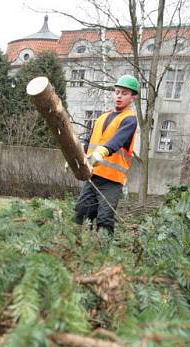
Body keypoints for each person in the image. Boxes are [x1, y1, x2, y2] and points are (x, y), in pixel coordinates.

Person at [74, 74, 140, 236]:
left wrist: (102, 152)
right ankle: (77, 250)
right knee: (81, 213)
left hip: (112, 180)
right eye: (117, 92)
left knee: (104, 219)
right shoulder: (102, 117)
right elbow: (87, 143)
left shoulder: (129, 119)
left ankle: (104, 257)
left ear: (132, 97)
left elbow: (117, 141)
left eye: (124, 93)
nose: (119, 96)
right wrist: (75, 157)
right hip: (93, 175)